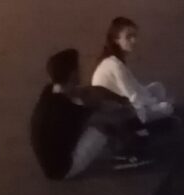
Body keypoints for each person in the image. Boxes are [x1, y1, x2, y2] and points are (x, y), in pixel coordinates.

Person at [30, 49, 148, 180]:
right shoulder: (67, 110)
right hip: (63, 169)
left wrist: (122, 100)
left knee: (90, 100)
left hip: (55, 151)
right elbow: (111, 119)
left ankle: (125, 141)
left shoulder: (51, 90)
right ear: (73, 74)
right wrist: (135, 111)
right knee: (102, 126)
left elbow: (92, 91)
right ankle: (127, 155)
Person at [91, 17, 175, 126]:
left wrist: (153, 101)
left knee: (158, 87)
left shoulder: (114, 61)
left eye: (134, 36)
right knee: (167, 108)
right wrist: (157, 105)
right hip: (118, 114)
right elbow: (133, 97)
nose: (133, 40)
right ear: (116, 39)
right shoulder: (114, 64)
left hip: (124, 106)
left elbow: (135, 88)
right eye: (129, 37)